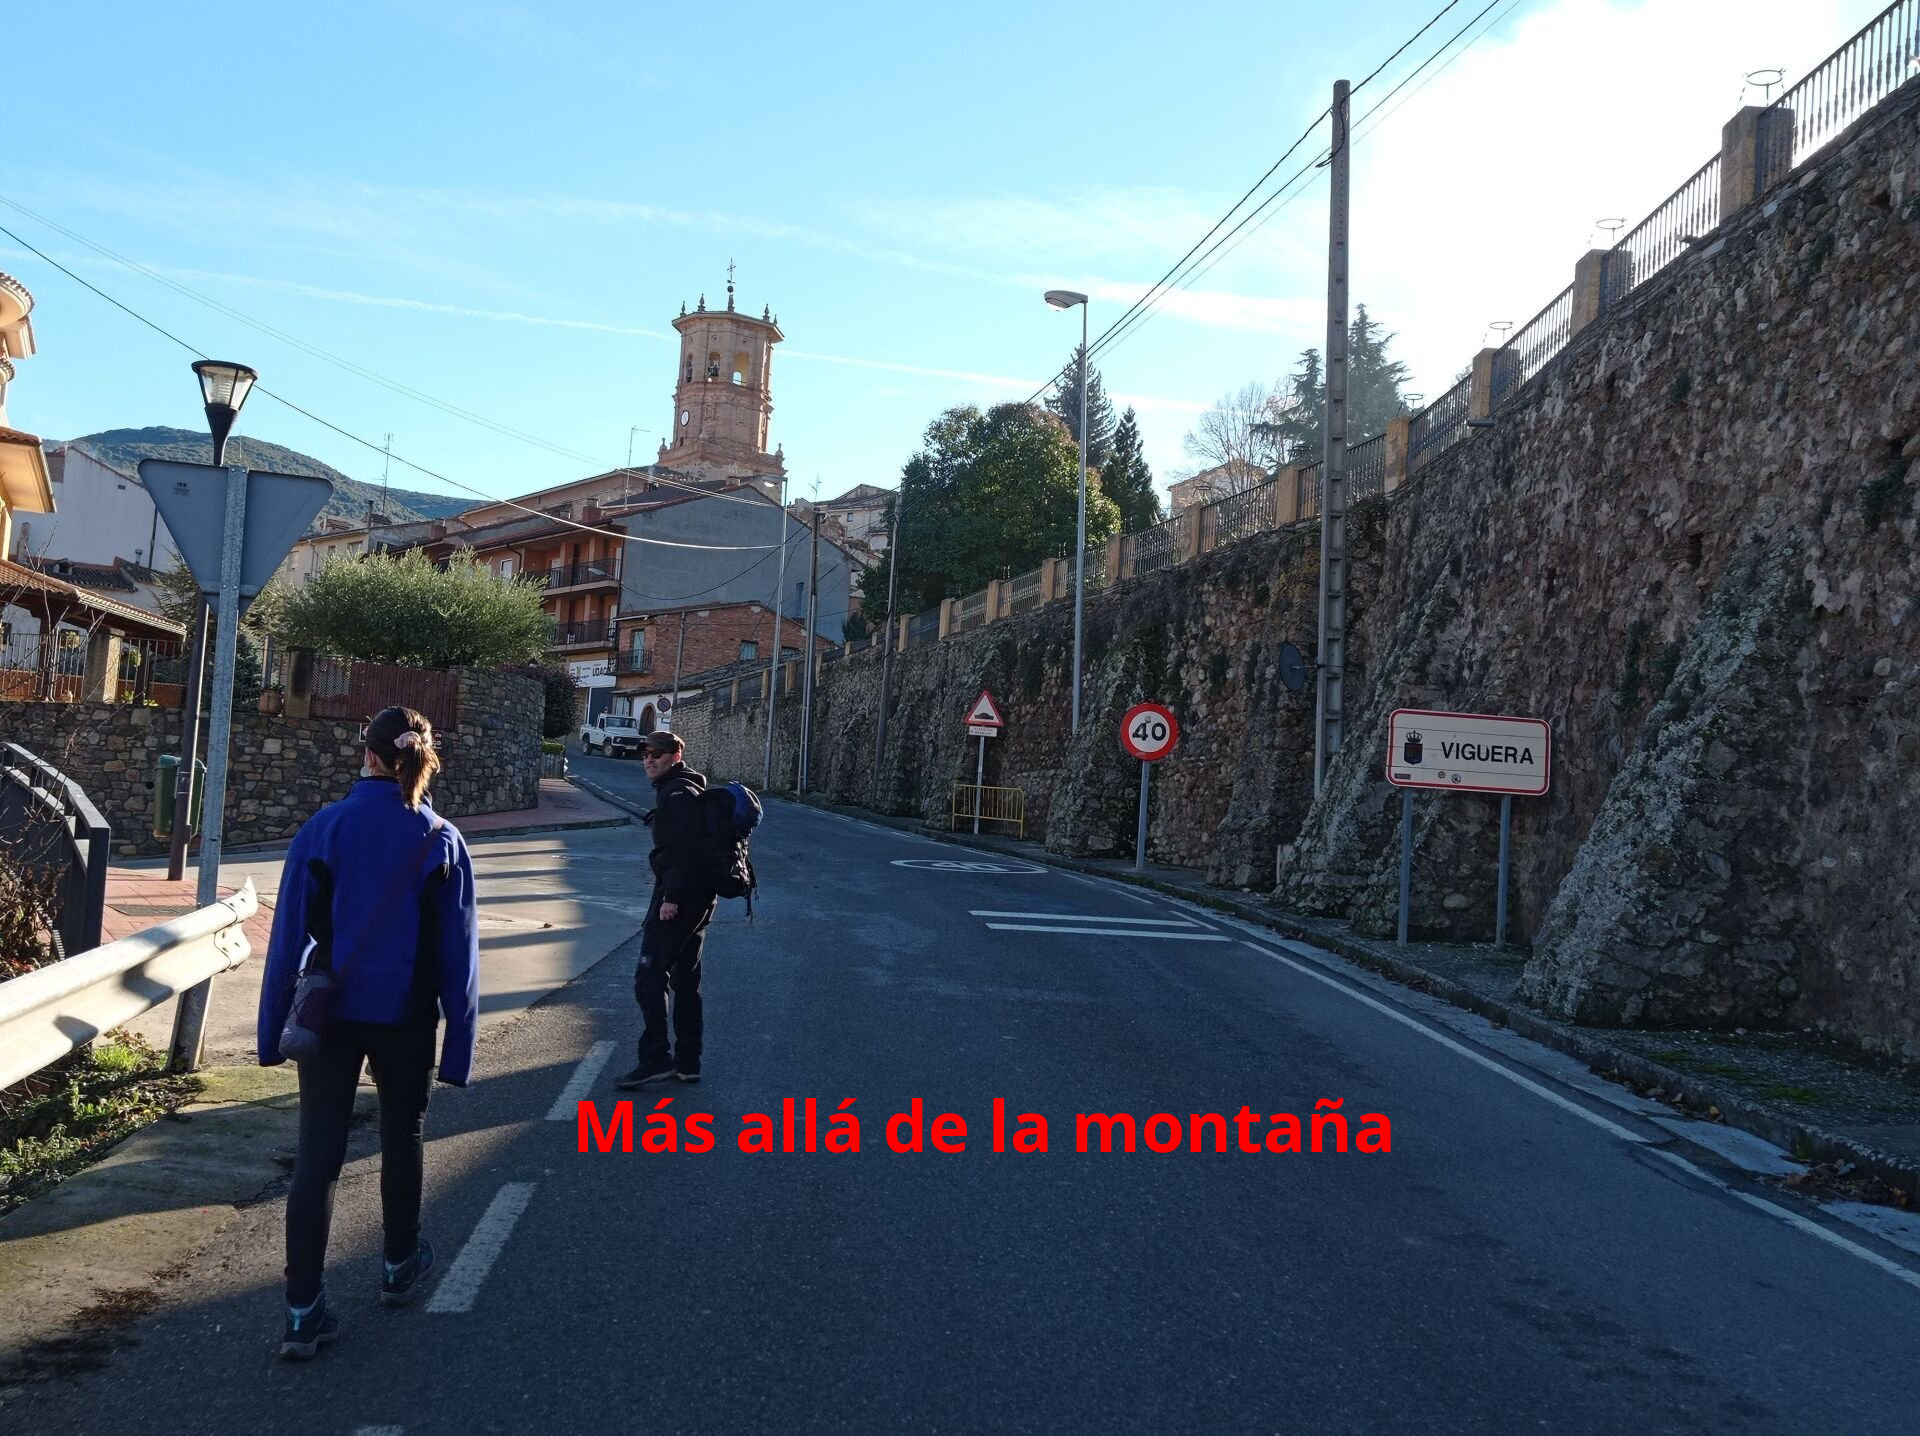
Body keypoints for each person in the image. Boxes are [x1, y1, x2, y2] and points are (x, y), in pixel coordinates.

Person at [257, 706, 480, 1360]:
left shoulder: (323, 828)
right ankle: (399, 1263)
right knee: (401, 1136)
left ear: (369, 754)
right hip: (406, 1015)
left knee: (317, 1156)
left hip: (328, 1013)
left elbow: (286, 939)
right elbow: (459, 956)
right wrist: (459, 1049)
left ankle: (303, 1310)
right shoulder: (442, 839)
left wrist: (272, 1032)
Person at [616, 730, 717, 1088]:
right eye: (645, 754)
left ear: (676, 756)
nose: (649, 759)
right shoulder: (688, 788)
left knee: (649, 975)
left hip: (679, 897)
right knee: (686, 979)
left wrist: (671, 898)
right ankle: (688, 1062)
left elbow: (683, 851)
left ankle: (655, 1058)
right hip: (700, 896)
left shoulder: (676, 794)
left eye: (657, 754)